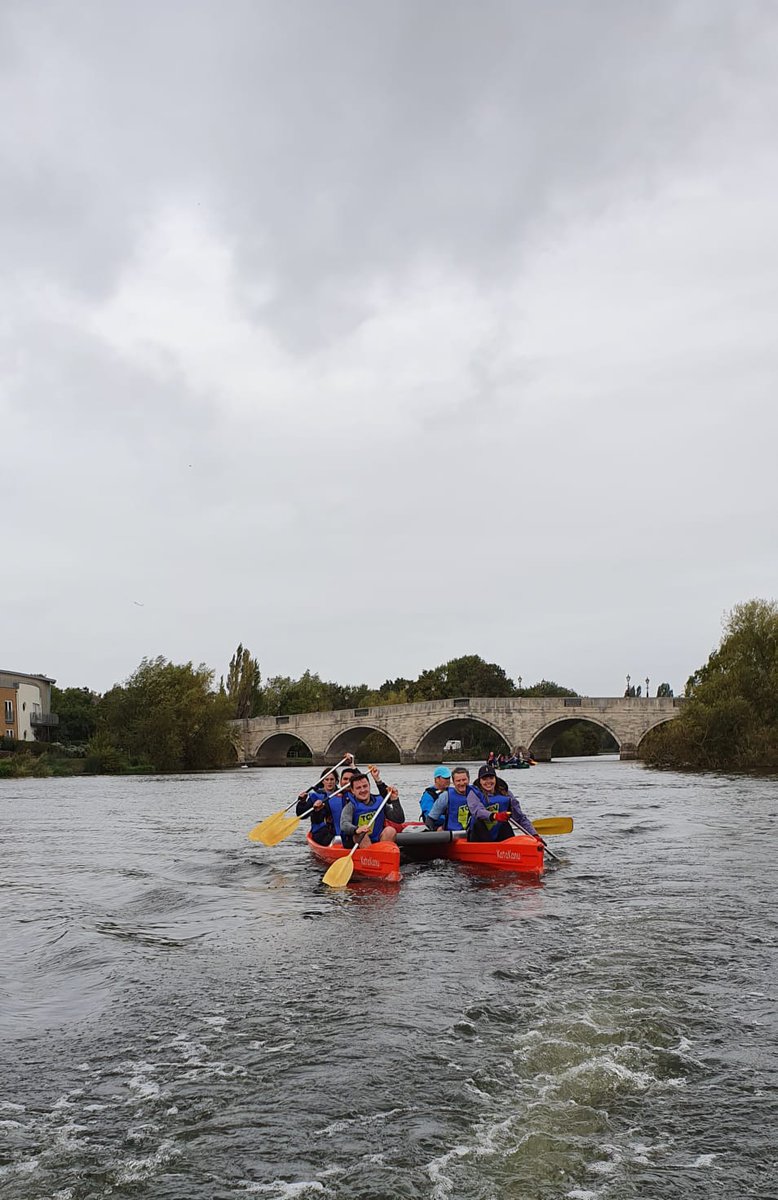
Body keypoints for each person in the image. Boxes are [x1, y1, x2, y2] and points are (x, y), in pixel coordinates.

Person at [469, 765, 541, 842]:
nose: (488, 782)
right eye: (484, 779)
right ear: (480, 781)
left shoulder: (506, 794)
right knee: (478, 824)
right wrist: (495, 816)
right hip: (479, 834)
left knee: (505, 824)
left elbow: (519, 817)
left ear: (495, 779)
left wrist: (534, 834)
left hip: (499, 833)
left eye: (491, 778)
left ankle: (511, 849)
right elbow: (477, 811)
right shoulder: (473, 793)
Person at [339, 771, 400, 848]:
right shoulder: (350, 806)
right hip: (357, 843)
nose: (363, 790)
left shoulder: (380, 802)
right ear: (352, 791)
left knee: (390, 830)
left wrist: (395, 800)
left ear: (369, 786)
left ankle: (382, 854)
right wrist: (356, 829)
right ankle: (371, 856)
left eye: (365, 786)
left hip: (378, 839)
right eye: (358, 788)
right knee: (361, 834)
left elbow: (399, 819)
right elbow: (344, 824)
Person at [426, 766, 480, 833]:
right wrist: (435, 830)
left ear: (468, 779)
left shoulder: (478, 793)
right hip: (452, 836)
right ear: (453, 782)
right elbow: (430, 819)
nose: (462, 783)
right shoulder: (445, 796)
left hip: (473, 835)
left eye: (464, 780)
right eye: (458, 781)